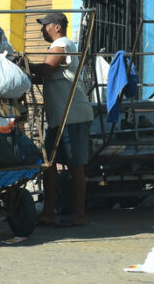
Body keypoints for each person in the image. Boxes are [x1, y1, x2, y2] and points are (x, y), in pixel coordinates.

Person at [28, 12, 93, 227]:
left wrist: (24, 64)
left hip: (71, 115)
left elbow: (46, 69)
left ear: (56, 26)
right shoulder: (60, 46)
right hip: (60, 116)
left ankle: (80, 214)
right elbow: (44, 74)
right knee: (49, 164)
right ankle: (48, 212)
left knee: (75, 165)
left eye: (45, 26)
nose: (41, 30)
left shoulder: (62, 44)